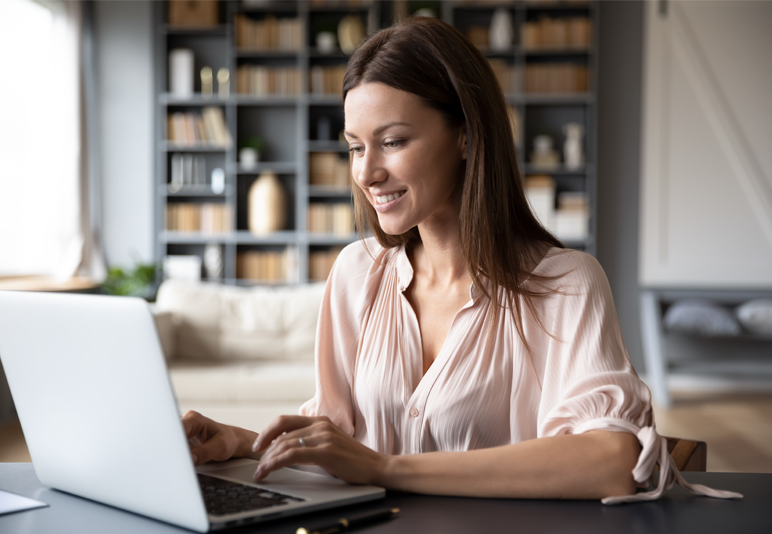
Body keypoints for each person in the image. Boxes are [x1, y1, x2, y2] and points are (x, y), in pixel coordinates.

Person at [182, 17, 741, 504]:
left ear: (467, 137)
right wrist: (235, 440)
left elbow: (613, 461)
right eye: (355, 146)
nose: (366, 172)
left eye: (393, 141)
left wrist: (387, 469)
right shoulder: (356, 274)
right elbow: (339, 441)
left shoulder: (567, 284)